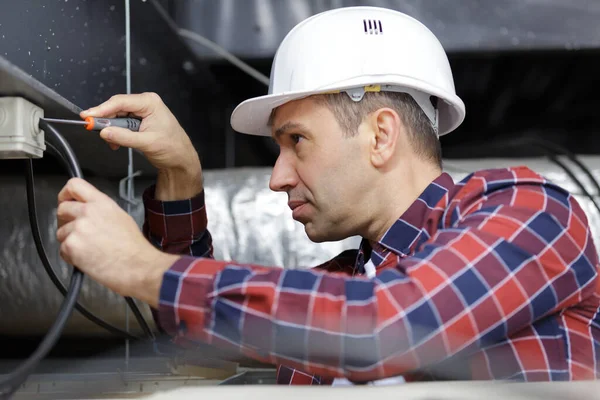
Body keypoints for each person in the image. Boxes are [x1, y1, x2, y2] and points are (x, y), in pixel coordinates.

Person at [55, 6, 600, 384]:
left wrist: (140, 265)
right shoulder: (333, 290)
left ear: (381, 136)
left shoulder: (534, 212)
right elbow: (191, 329)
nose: (277, 177)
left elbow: (391, 326)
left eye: (296, 141)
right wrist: (180, 175)